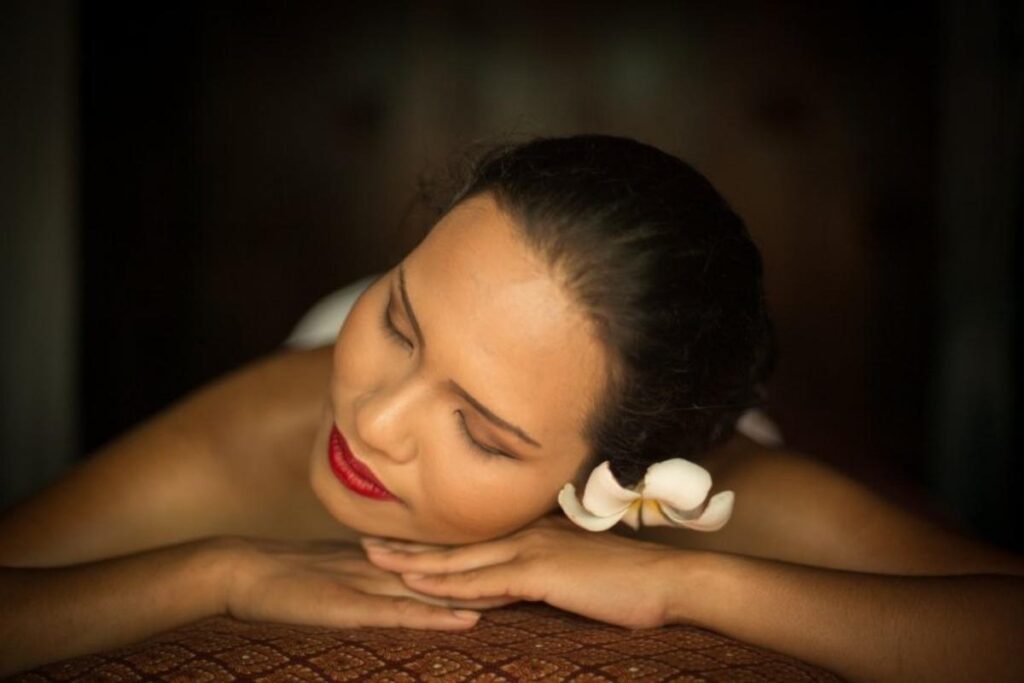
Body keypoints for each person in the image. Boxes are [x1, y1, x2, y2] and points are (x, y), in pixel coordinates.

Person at [0, 135, 1021, 680]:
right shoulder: (280, 420)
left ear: (598, 484)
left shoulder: (699, 491)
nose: (374, 421)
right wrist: (216, 570)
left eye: (481, 430)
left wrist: (693, 586)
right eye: (396, 320)